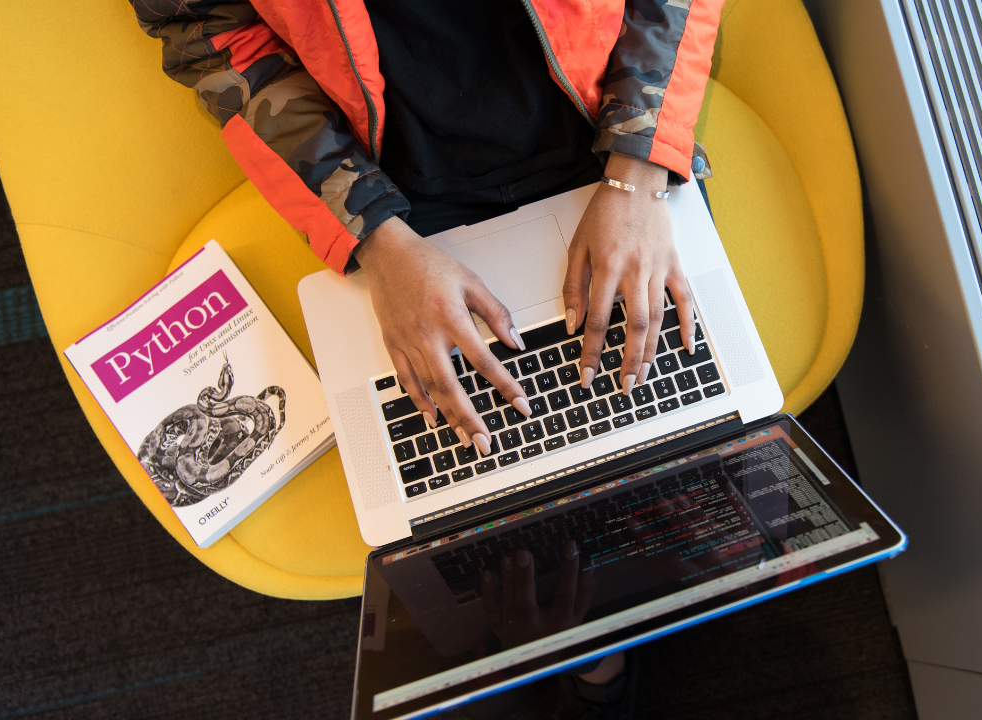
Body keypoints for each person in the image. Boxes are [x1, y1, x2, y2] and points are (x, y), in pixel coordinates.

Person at [132, 0, 722, 716]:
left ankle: (596, 664)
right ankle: (594, 667)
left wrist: (637, 168)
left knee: (695, 467)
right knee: (474, 520)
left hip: (603, 135)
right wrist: (375, 236)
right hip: (402, 197)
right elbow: (209, 37)